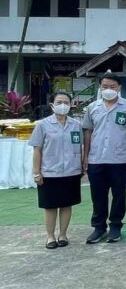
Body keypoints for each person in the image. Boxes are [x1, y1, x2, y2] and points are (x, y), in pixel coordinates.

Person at [82, 73, 126, 244]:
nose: (108, 90)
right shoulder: (92, 107)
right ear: (100, 87)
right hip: (96, 158)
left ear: (119, 88)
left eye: (112, 87)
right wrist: (85, 156)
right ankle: (99, 227)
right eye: (105, 86)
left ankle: (115, 226)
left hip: (119, 159)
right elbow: (88, 132)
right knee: (98, 195)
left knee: (119, 195)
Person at [28, 92, 83, 249]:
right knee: (50, 206)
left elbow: (80, 147)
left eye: (66, 102)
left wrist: (81, 167)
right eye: (59, 102)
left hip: (71, 172)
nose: (63, 105)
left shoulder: (76, 125)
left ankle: (63, 234)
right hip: (49, 172)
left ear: (71, 105)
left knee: (67, 205)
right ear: (52, 105)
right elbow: (37, 150)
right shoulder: (42, 125)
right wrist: (36, 173)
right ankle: (50, 236)